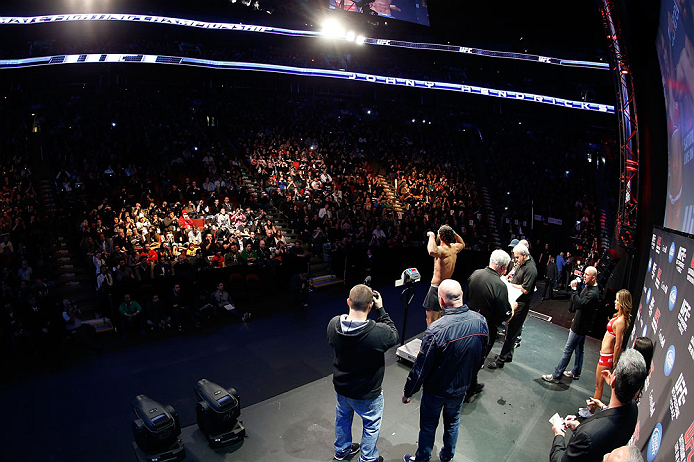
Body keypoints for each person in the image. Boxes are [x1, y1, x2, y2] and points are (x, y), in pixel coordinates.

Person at [402, 279, 488, 462]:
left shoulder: (436, 330)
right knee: (453, 423)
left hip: (436, 391)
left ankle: (422, 458)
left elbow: (421, 367)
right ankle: (447, 456)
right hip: (460, 388)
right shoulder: (480, 321)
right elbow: (481, 355)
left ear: (441, 302)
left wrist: (409, 391)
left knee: (428, 427)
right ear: (461, 296)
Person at [327, 284, 398, 462]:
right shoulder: (378, 333)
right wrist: (381, 309)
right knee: (371, 425)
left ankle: (341, 451)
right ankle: (367, 458)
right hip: (367, 392)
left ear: (348, 302)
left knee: (342, 418)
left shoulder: (333, 324)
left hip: (342, 388)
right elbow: (394, 335)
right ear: (370, 306)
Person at [549, 349, 647, 462]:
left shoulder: (587, 435)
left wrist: (559, 434)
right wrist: (579, 427)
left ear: (613, 380)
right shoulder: (633, 410)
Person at [466, 249, 515, 400]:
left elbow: (467, 296)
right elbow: (505, 316)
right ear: (502, 268)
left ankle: (471, 385)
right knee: (477, 360)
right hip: (485, 329)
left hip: (468, 322)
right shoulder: (500, 285)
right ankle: (466, 390)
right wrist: (513, 307)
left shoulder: (475, 274)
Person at [542, 266, 599, 383]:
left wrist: (573, 290)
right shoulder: (589, 288)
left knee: (568, 351)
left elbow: (579, 304)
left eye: (587, 275)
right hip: (580, 324)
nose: (584, 276)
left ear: (593, 278)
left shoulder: (593, 294)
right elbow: (581, 307)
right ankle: (576, 372)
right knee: (579, 350)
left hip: (579, 328)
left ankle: (556, 375)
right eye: (584, 274)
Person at [489, 243, 537, 368]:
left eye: (517, 257)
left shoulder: (531, 269)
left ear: (524, 255)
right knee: (511, 330)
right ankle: (508, 355)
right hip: (515, 299)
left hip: (521, 303)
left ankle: (501, 360)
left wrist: (509, 285)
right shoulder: (521, 264)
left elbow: (526, 289)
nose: (515, 260)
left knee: (511, 332)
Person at [592, 289, 631, 404]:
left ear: (623, 303)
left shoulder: (620, 321)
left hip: (607, 357)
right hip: (604, 354)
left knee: (599, 385)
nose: (615, 302)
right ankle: (591, 409)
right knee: (598, 384)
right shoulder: (617, 317)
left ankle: (591, 411)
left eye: (617, 300)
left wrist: (614, 361)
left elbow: (618, 344)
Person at [423, 225, 465, 326]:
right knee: (440, 319)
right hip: (445, 288)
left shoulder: (442, 250)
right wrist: (454, 233)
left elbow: (431, 251)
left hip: (436, 288)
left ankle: (431, 340)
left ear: (440, 237)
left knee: (431, 321)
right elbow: (462, 243)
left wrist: (432, 236)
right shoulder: (454, 248)